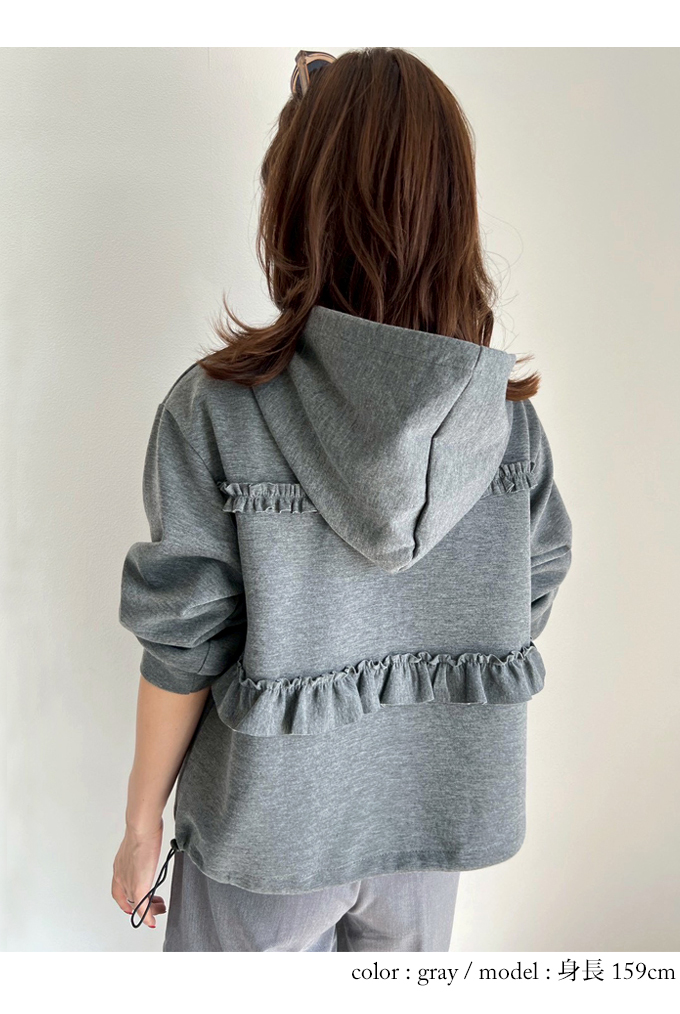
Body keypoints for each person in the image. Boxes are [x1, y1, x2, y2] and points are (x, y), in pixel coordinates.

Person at [112, 47, 573, 952]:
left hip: (267, 836)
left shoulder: (218, 409)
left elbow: (183, 641)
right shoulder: (506, 422)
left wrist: (140, 825)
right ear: (452, 209)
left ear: (297, 201)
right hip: (428, 831)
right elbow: (533, 590)